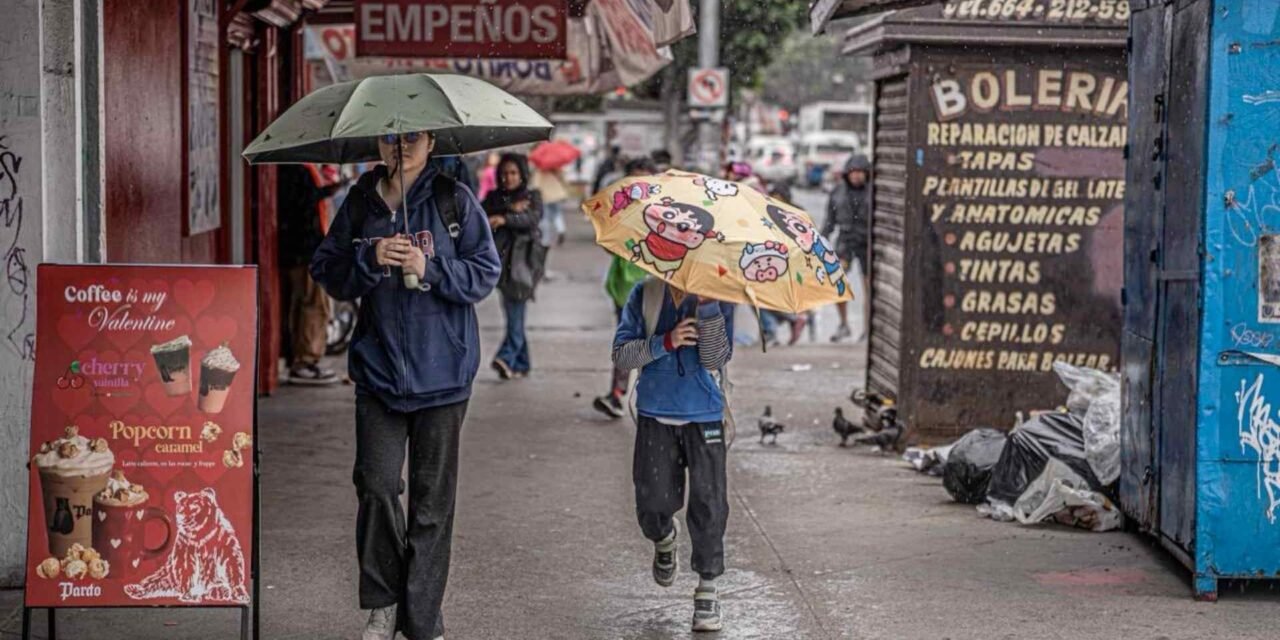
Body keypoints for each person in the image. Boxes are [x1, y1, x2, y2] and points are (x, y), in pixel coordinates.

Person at [309, 130, 501, 640]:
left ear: (431, 142)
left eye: (411, 137)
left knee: (432, 506)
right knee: (374, 485)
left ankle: (422, 623)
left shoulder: (452, 198)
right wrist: (369, 262)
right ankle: (385, 599)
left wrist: (429, 267)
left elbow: (485, 272)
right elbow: (327, 270)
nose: (400, 146)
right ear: (378, 143)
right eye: (391, 137)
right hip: (379, 374)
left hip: (444, 376)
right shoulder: (362, 200)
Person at [612, 281, 735, 633]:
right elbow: (622, 355)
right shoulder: (645, 295)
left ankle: (707, 587)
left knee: (709, 503)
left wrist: (709, 307)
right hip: (656, 412)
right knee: (652, 503)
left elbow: (715, 359)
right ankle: (664, 537)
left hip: (705, 415)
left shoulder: (722, 295)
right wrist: (666, 341)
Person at [593, 157, 656, 419]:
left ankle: (649, 395)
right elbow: (607, 244)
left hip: (655, 289)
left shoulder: (663, 212)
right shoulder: (620, 210)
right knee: (627, 341)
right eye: (633, 180)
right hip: (624, 289)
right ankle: (617, 395)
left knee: (654, 343)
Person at [278, 163, 344, 385]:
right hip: (306, 250)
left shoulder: (293, 169)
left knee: (304, 304)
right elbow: (301, 205)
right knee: (315, 305)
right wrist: (328, 191)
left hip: (298, 250)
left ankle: (301, 357)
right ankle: (306, 360)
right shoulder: (298, 170)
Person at [482, 153, 544, 380]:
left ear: (522, 174)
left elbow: (532, 219)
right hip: (500, 263)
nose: (508, 178)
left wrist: (504, 219)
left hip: (524, 264)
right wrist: (509, 208)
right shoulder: (493, 197)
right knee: (513, 312)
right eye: (505, 173)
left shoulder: (533, 196)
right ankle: (521, 363)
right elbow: (481, 216)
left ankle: (506, 357)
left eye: (513, 173)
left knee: (515, 312)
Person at [823, 154, 872, 343]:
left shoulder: (873, 191)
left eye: (860, 172)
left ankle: (868, 328)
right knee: (837, 281)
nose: (857, 176)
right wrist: (821, 239)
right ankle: (843, 324)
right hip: (845, 240)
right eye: (853, 172)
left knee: (869, 288)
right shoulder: (838, 191)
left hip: (866, 241)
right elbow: (829, 221)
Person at [757, 180, 808, 346]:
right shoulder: (766, 213)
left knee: (759, 296)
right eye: (774, 198)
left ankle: (772, 328)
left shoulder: (796, 214)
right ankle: (787, 320)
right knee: (757, 295)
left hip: (787, 264)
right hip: (771, 261)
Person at [532, 166, 570, 247]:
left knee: (544, 217)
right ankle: (561, 229)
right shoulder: (557, 168)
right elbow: (564, 180)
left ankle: (545, 240)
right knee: (557, 214)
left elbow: (536, 184)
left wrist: (534, 194)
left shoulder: (539, 169)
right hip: (557, 194)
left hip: (545, 195)